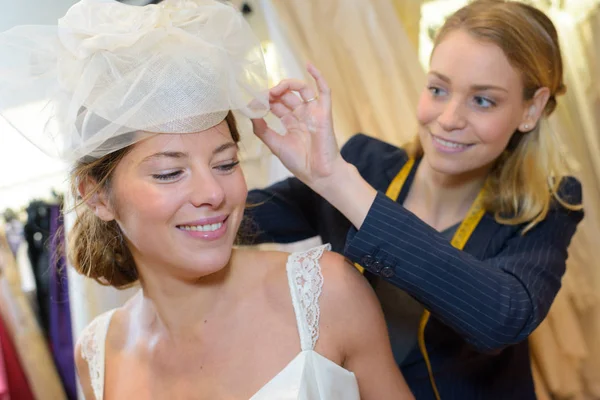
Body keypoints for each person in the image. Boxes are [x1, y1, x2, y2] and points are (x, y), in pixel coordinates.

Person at [0, 1, 414, 399]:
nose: (213, 193)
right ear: (96, 197)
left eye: (225, 163)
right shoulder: (97, 355)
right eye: (169, 173)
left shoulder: (326, 293)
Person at [247, 0, 584, 398]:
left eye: (482, 100)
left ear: (531, 108)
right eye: (438, 89)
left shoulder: (549, 207)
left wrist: (337, 181)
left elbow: (500, 319)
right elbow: (240, 218)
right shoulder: (367, 164)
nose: (448, 118)